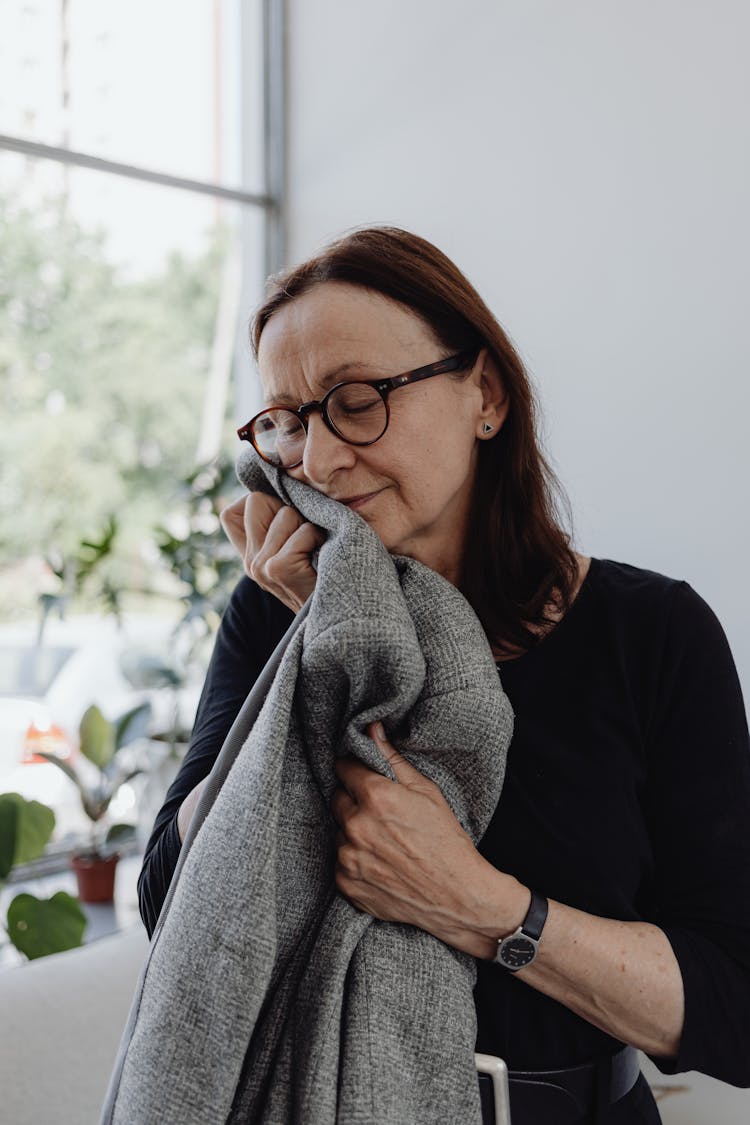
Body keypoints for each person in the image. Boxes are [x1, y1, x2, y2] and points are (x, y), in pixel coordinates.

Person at [138, 227, 750, 1125]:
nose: (318, 459)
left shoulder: (651, 633)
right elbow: (170, 901)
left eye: (356, 399)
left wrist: (480, 905)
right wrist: (314, 648)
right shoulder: (275, 613)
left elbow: (734, 1005)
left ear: (486, 395)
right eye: (288, 420)